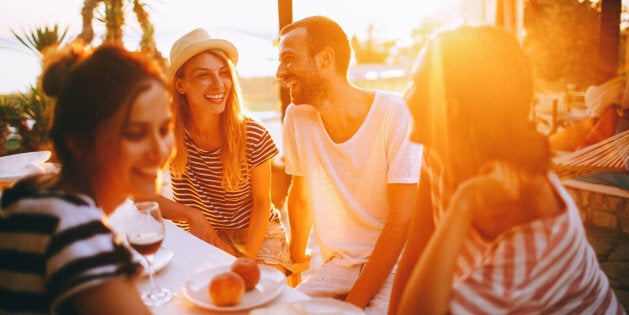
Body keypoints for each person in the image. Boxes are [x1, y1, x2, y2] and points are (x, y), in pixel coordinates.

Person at [389, 25, 624, 314]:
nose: (404, 96)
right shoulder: (440, 151)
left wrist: (463, 203)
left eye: (415, 83)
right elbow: (415, 255)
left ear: (447, 110)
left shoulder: (534, 235)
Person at [0, 43, 174, 314]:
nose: (159, 150)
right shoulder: (76, 234)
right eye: (135, 133)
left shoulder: (30, 192)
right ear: (78, 142)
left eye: (164, 129)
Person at [276, 16, 422, 313]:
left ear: (325, 59)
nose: (280, 72)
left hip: (396, 265)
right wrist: (295, 271)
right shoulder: (297, 116)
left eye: (289, 59)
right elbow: (300, 199)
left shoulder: (394, 113)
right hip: (338, 267)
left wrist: (353, 305)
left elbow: (401, 220)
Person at [145, 28, 292, 273]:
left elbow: (261, 203)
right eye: (204, 75)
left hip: (258, 236)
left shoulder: (253, 133)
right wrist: (193, 216)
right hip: (202, 234)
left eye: (223, 73)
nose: (218, 84)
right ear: (180, 85)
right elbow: (144, 197)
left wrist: (245, 260)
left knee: (255, 296)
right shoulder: (168, 132)